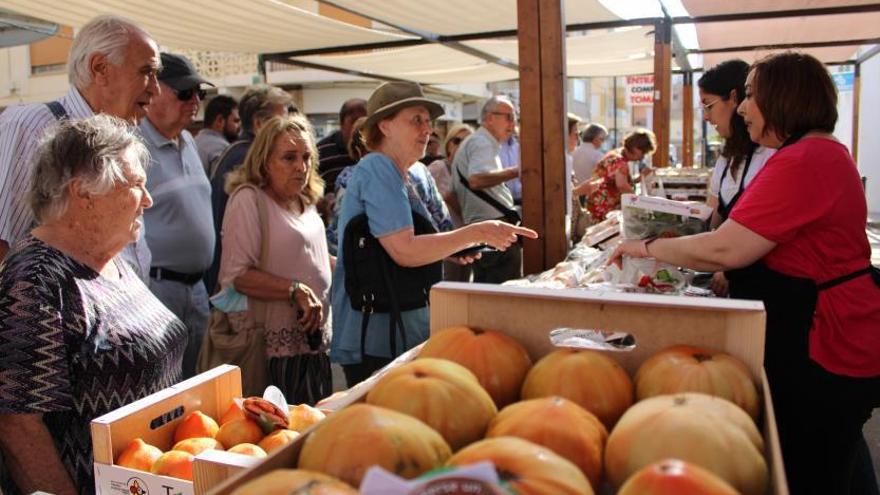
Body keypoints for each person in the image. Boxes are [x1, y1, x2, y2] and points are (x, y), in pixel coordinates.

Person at [609, 52, 880, 494]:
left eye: (751, 94)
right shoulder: (814, 153)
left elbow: (724, 247)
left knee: (813, 463)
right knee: (838, 452)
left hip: (825, 337)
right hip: (830, 328)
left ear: (783, 97)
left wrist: (647, 246)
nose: (741, 108)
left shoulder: (805, 159)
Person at [0, 116, 186, 495]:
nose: (148, 199)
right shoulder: (34, 279)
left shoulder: (110, 259)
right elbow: (17, 425)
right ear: (83, 193)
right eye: (136, 185)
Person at [331, 82, 537, 386]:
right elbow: (405, 250)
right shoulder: (377, 167)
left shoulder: (413, 172)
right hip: (377, 334)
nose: (427, 129)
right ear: (385, 126)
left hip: (402, 326)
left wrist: (454, 246)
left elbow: (415, 240)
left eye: (429, 121)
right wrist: (476, 232)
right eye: (416, 120)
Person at [0, 15, 160, 267]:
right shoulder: (31, 126)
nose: (155, 89)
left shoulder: (123, 141)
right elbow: (2, 243)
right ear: (99, 68)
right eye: (146, 72)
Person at [219, 115, 332, 404]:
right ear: (264, 160)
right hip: (269, 353)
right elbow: (237, 275)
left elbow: (307, 257)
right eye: (289, 158)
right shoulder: (249, 199)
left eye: (307, 157)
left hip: (312, 347)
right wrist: (295, 290)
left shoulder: (305, 200)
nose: (301, 166)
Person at [140, 53, 215, 379]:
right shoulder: (135, 144)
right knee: (162, 383)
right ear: (154, 90)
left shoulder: (188, 141)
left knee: (194, 383)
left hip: (196, 289)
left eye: (200, 93)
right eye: (185, 93)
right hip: (158, 287)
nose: (195, 100)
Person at [699, 60, 775, 296]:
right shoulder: (726, 159)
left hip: (769, 289)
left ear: (734, 97)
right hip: (738, 287)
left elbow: (765, 232)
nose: (706, 117)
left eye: (708, 106)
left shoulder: (772, 155)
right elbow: (711, 218)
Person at [205, 86, 291, 296]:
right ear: (259, 123)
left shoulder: (238, 150)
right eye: (281, 121)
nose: (287, 128)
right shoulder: (249, 158)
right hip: (241, 281)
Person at [451, 96, 524, 283]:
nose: (512, 123)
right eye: (508, 117)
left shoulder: (482, 141)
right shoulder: (482, 142)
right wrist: (517, 171)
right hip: (492, 229)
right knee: (500, 295)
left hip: (487, 227)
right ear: (490, 118)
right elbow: (476, 180)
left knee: (490, 293)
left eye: (514, 117)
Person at [575, 129, 656, 222]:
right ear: (636, 149)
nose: (643, 157)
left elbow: (614, 181)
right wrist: (640, 204)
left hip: (597, 205)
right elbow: (622, 185)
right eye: (644, 153)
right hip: (604, 208)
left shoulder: (615, 154)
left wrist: (639, 178)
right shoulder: (620, 162)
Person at [428, 123, 474, 281]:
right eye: (457, 141)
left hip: (467, 240)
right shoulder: (439, 167)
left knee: (464, 289)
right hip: (445, 241)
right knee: (448, 290)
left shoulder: (472, 174)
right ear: (448, 145)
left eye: (467, 141)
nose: (462, 145)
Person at [317, 98, 367, 190]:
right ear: (341, 124)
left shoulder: (379, 148)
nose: (359, 128)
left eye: (364, 123)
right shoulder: (321, 150)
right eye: (354, 122)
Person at [195, 95, 240, 173]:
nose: (239, 126)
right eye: (236, 121)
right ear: (220, 121)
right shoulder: (221, 148)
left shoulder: (195, 141)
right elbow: (223, 183)